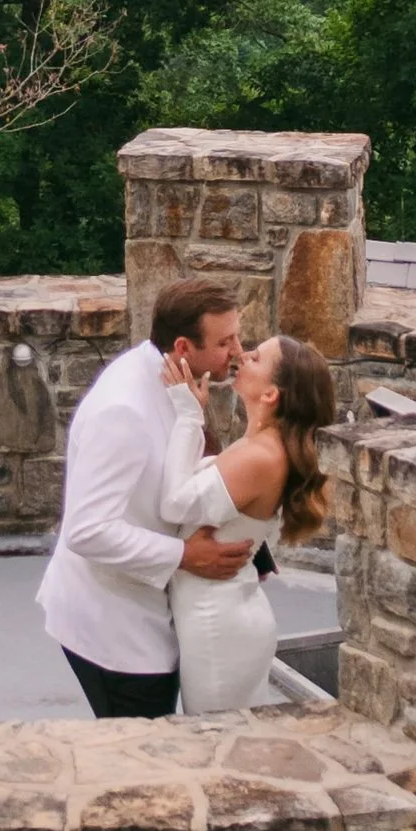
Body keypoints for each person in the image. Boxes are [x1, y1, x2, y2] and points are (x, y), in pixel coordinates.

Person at [39, 277, 256, 716]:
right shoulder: (123, 411)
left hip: (145, 611)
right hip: (114, 628)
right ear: (182, 346)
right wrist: (184, 555)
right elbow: (87, 530)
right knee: (140, 764)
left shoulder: (173, 382)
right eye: (225, 341)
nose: (238, 351)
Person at [158, 331, 338, 713]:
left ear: (271, 394)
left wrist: (188, 416)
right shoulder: (260, 443)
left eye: (256, 358)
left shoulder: (261, 456)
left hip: (217, 626)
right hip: (217, 615)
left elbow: (175, 505)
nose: (242, 354)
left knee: (217, 746)